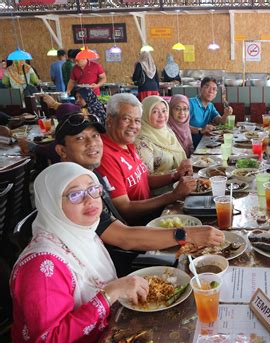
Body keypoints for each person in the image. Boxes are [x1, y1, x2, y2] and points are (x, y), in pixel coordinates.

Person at [54, 113, 225, 275]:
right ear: (62, 150)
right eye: (80, 138)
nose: (92, 143)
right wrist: (188, 234)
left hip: (120, 251)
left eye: (95, 136)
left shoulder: (90, 176)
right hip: (113, 266)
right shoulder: (69, 190)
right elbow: (123, 238)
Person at [10, 162, 150, 343]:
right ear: (52, 204)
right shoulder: (42, 266)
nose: (90, 200)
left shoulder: (82, 234)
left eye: (93, 189)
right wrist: (110, 293)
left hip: (108, 334)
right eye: (75, 195)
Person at [95, 94, 196, 225]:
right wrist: (173, 196)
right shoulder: (105, 155)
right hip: (140, 225)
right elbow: (125, 208)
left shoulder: (127, 143)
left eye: (137, 120)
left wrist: (176, 175)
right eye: (126, 119)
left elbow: (143, 180)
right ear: (109, 120)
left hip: (154, 211)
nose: (133, 126)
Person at [135, 96, 187, 175]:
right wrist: (176, 173)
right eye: (155, 112)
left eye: (164, 111)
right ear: (145, 113)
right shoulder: (141, 141)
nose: (161, 115)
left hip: (180, 180)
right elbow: (147, 178)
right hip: (162, 186)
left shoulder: (166, 130)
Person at [189, 77, 233, 147]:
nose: (211, 91)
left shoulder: (210, 106)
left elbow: (220, 122)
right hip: (191, 145)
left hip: (205, 143)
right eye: (207, 87)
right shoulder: (190, 103)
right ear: (200, 88)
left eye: (214, 89)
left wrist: (226, 115)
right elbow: (181, 126)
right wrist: (200, 130)